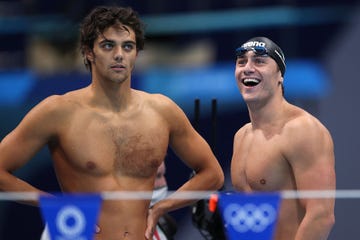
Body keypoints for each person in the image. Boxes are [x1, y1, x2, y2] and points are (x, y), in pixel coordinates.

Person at [0, 5, 224, 240]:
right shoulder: (57, 111)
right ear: (88, 52)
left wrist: (162, 206)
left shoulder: (162, 110)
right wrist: (52, 203)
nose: (119, 54)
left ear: (136, 53)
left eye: (128, 46)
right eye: (108, 45)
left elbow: (213, 174)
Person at [230, 36, 335, 240]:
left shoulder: (303, 130)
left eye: (260, 61)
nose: (248, 68)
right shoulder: (241, 136)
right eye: (241, 61)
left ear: (280, 75)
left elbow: (321, 215)